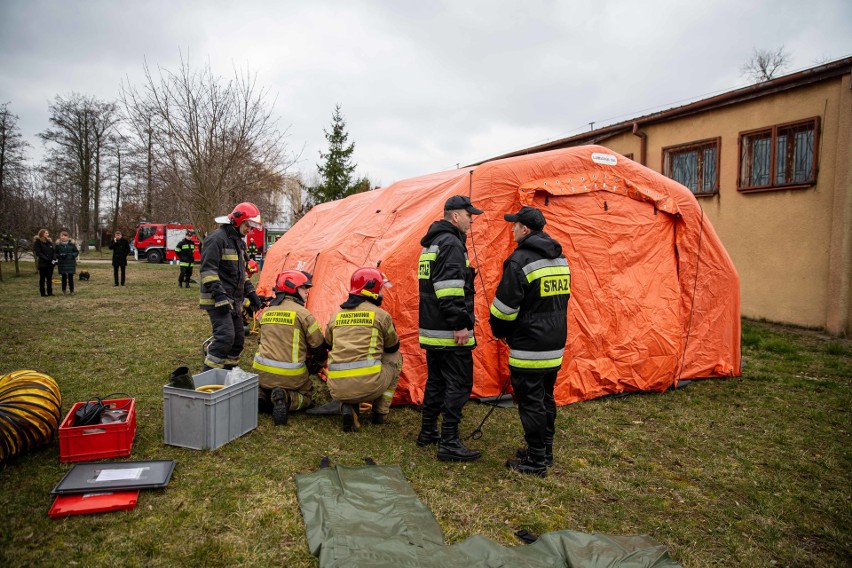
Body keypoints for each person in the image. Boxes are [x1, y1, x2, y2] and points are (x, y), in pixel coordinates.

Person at [489, 206, 571, 477]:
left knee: (531, 403)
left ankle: (535, 461)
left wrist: (499, 330)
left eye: (514, 225)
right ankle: (544, 451)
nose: (511, 229)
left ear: (525, 229)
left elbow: (504, 309)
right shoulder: (561, 259)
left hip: (529, 346)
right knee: (546, 399)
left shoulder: (519, 260)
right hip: (555, 343)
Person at [416, 195, 483, 462]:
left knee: (436, 382)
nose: (471, 220)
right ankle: (450, 441)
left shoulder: (431, 243)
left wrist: (466, 315)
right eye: (469, 215)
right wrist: (459, 323)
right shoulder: (452, 244)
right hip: (449, 331)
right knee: (459, 384)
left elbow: (439, 289)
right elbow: (449, 289)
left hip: (432, 328)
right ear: (455, 216)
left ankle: (428, 431)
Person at [324, 267, 402, 432]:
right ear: (371, 290)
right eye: (380, 289)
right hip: (370, 387)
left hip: (336, 389)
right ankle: (380, 413)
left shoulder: (335, 316)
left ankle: (349, 405)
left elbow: (329, 344)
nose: (382, 293)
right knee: (396, 357)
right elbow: (393, 346)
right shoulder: (381, 316)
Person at [252, 270, 328, 426]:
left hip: (261, 372)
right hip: (292, 376)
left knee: (266, 385)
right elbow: (319, 348)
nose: (307, 291)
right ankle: (286, 399)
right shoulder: (304, 314)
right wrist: (315, 366)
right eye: (304, 287)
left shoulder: (266, 313)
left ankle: (262, 396)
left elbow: (261, 340)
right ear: (292, 289)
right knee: (307, 396)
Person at [199, 202, 265, 371]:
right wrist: (219, 296)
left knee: (237, 340)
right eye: (247, 226)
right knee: (225, 337)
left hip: (233, 300)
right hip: (218, 299)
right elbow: (208, 270)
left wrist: (252, 294)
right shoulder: (216, 239)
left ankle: (228, 375)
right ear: (238, 221)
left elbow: (242, 273)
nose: (249, 231)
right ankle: (208, 377)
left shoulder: (238, 243)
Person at [55, 231, 79, 295]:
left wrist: (72, 255)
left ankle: (72, 290)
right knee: (63, 278)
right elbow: (55, 253)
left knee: (70, 277)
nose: (63, 237)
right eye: (62, 236)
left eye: (65, 236)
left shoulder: (71, 244)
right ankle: (64, 290)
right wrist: (60, 255)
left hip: (70, 263)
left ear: (67, 237)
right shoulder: (58, 245)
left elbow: (76, 252)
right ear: (60, 237)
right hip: (62, 263)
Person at [33, 229, 56, 297]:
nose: (47, 234)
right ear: (42, 234)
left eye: (48, 233)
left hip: (50, 264)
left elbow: (53, 251)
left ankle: (50, 292)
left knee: (49, 278)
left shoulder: (49, 242)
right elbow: (39, 253)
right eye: (46, 233)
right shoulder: (37, 242)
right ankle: (43, 293)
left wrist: (54, 259)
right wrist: (47, 259)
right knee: (42, 279)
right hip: (43, 264)